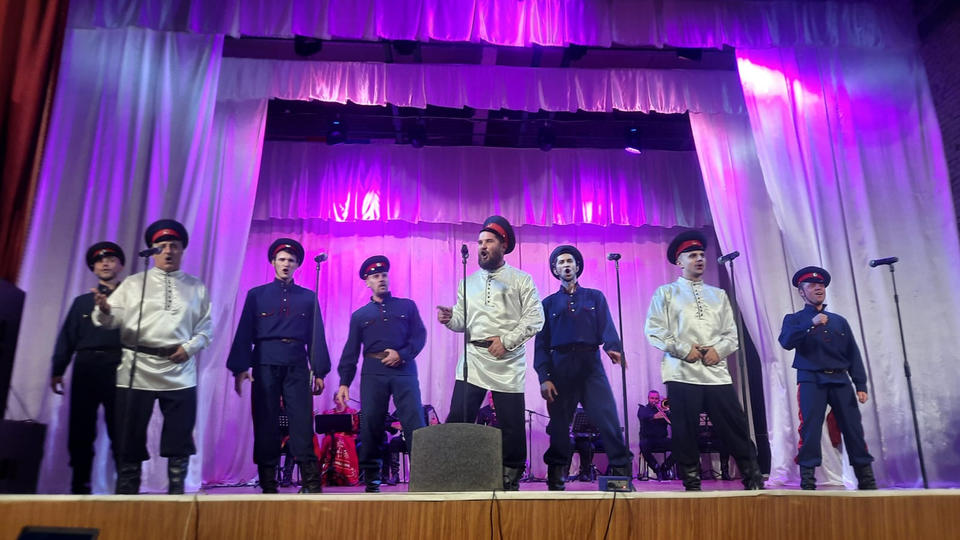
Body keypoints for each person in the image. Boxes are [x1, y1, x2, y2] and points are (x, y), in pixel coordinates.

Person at [92, 219, 213, 494]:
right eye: (162, 246)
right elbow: (109, 321)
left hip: (179, 369)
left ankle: (176, 497)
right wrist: (105, 310)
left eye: (174, 246)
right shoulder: (134, 284)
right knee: (129, 435)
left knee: (180, 436)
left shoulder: (196, 287)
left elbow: (206, 329)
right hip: (136, 368)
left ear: (182, 250)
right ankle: (127, 498)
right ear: (152, 251)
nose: (168, 251)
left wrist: (189, 348)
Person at [643, 230, 763, 491]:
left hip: (715, 372)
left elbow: (731, 334)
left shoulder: (718, 295)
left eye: (701, 255)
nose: (699, 259)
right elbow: (654, 330)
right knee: (685, 429)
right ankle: (691, 481)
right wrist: (684, 349)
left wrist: (718, 351)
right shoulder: (666, 293)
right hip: (681, 372)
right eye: (692, 255)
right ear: (679, 261)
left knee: (734, 425)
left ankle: (752, 476)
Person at [437, 215, 544, 490]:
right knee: (459, 416)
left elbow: (535, 318)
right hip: (473, 359)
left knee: (511, 423)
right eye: (480, 242)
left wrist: (506, 341)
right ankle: (455, 469)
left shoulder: (521, 280)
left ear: (503, 245)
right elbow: (463, 321)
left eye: (489, 241)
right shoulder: (467, 282)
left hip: (507, 360)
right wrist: (450, 319)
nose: (482, 246)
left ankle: (511, 474)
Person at [227, 238, 330, 493]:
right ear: (273, 262)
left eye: (291, 260)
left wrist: (319, 371)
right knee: (266, 421)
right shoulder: (257, 295)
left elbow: (316, 335)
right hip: (265, 363)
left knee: (301, 422)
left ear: (297, 265)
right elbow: (245, 332)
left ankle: (311, 482)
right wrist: (240, 368)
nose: (286, 264)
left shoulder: (308, 297)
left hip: (296, 364)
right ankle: (268, 483)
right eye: (282, 259)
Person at [534, 245, 632, 490]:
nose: (566, 265)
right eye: (561, 262)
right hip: (561, 367)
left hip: (590, 366)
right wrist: (544, 377)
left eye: (570, 261)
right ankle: (556, 477)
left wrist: (613, 347)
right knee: (559, 426)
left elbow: (607, 326)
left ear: (577, 266)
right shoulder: (547, 304)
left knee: (608, 419)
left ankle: (621, 474)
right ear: (555, 270)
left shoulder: (595, 297)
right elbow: (541, 345)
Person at [778, 266, 876, 490]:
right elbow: (786, 341)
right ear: (802, 292)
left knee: (853, 429)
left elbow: (852, 353)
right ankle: (808, 481)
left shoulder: (838, 321)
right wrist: (810, 324)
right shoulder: (794, 319)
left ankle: (867, 481)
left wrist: (860, 384)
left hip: (841, 380)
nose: (818, 288)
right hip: (811, 379)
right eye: (812, 285)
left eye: (821, 285)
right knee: (810, 430)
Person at [336, 255, 427, 493]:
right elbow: (351, 351)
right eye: (375, 276)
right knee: (371, 424)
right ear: (368, 282)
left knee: (414, 421)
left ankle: (423, 475)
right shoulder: (360, 316)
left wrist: (402, 355)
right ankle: (373, 478)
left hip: (404, 370)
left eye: (384, 275)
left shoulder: (407, 306)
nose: (381, 279)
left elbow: (420, 336)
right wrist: (344, 382)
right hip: (373, 372)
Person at [51, 242, 125, 493]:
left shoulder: (132, 300)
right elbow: (67, 337)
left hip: (119, 365)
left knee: (121, 427)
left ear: (120, 265)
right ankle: (80, 484)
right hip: (86, 366)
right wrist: (57, 369)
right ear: (93, 268)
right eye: (100, 261)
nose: (105, 263)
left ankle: (125, 486)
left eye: (111, 259)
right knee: (81, 426)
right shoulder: (82, 302)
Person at [637, 389, 675, 481]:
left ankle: (665, 467)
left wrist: (668, 412)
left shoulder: (664, 410)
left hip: (662, 439)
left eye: (656, 398)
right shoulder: (643, 409)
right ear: (648, 399)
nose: (654, 400)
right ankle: (656, 468)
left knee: (680, 447)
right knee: (643, 445)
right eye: (652, 398)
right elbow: (642, 416)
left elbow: (672, 422)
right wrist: (654, 416)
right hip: (648, 439)